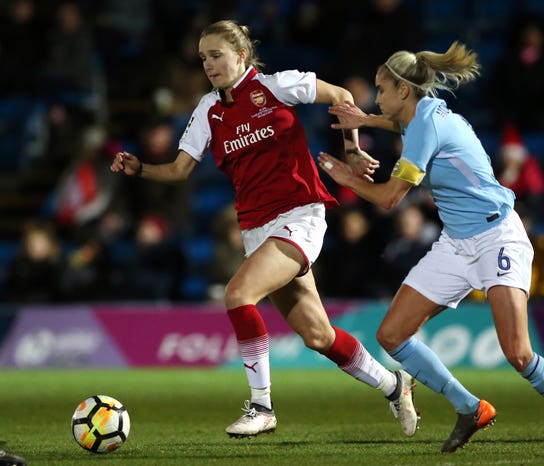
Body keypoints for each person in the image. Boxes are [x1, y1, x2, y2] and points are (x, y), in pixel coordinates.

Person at [110, 20, 417, 438]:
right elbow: (181, 169)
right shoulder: (208, 111)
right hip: (256, 228)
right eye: (203, 58)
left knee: (237, 294)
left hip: (300, 215)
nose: (208, 64)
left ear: (240, 55)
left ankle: (262, 406)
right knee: (318, 335)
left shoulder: (277, 85)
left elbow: (342, 96)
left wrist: (353, 149)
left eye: (216, 55)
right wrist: (141, 168)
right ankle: (393, 384)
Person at [318, 41, 544, 453]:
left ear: (403, 90)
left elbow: (390, 199)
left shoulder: (425, 129)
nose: (375, 98)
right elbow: (396, 125)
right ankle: (469, 408)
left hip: (498, 236)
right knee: (393, 335)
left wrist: (346, 179)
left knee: (519, 353)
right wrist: (366, 120)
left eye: (381, 90)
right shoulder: (423, 116)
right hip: (456, 242)